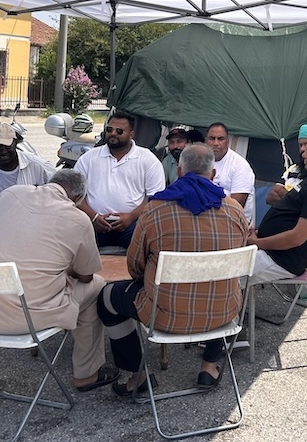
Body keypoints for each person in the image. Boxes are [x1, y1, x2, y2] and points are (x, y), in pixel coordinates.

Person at [0, 170, 118, 402]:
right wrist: (64, 270)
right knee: (98, 287)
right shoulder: (78, 219)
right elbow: (86, 276)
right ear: (78, 198)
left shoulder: (11, 193)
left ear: (49, 184)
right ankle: (86, 373)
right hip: (30, 320)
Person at [96, 143, 247, 395]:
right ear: (213, 175)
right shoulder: (234, 210)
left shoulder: (155, 209)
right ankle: (209, 367)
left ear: (179, 172)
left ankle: (138, 374)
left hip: (163, 316)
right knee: (219, 285)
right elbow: (238, 257)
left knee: (106, 298)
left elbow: (135, 266)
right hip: (223, 313)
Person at [247, 130, 307, 283]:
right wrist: (258, 233)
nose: (303, 154)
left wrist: (257, 243)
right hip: (268, 249)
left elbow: (297, 238)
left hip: (281, 259)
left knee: (225, 272)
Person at [74, 110, 165, 250]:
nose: (113, 134)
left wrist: (131, 216)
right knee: (74, 249)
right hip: (94, 222)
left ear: (131, 134)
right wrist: (94, 216)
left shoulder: (147, 159)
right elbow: (75, 194)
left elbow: (155, 197)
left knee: (149, 247)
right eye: (109, 129)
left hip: (133, 223)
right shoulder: (89, 158)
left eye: (119, 131)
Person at [0, 123, 56, 205]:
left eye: (6, 145)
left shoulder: (39, 166)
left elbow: (59, 195)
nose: (2, 150)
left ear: (15, 143)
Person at [205, 122, 257, 225]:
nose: (216, 143)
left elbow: (235, 207)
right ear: (206, 141)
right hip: (207, 220)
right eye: (212, 138)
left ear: (227, 142)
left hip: (234, 223)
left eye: (220, 139)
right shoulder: (201, 161)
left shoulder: (240, 165)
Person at [265, 123, 307, 205]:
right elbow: (270, 197)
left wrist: (283, 193)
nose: (302, 149)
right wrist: (293, 198)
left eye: (306, 144)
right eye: (300, 145)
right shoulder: (293, 169)